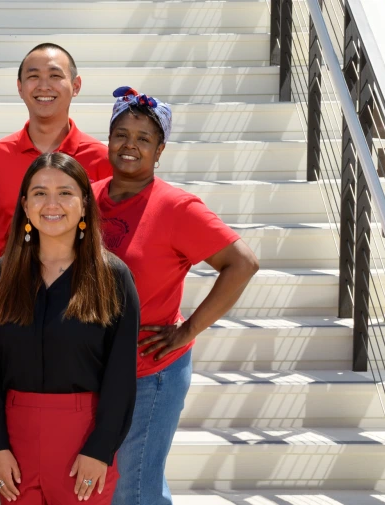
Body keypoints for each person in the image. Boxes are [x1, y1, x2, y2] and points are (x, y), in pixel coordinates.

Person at [95, 87, 259, 505]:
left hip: (148, 371)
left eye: (144, 138)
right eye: (121, 134)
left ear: (160, 149)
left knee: (136, 489)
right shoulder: (86, 196)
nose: (130, 145)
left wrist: (187, 331)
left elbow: (242, 263)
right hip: (92, 370)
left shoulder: (176, 207)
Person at [0, 152, 139, 504]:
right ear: (24, 204)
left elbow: (121, 375)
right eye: (39, 193)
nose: (52, 203)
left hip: (83, 443)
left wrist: (100, 449)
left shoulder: (113, 277)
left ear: (84, 204)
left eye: (65, 192)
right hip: (14, 443)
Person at [0, 43, 112, 264]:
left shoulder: (103, 160)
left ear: (76, 85)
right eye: (34, 76)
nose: (44, 86)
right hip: (7, 293)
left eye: (55, 75)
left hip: (81, 292)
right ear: (20, 87)